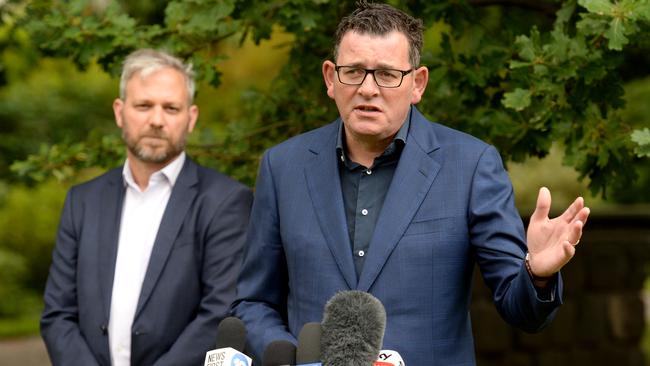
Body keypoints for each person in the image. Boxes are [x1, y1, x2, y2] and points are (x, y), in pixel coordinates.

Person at [232, 2, 590, 365]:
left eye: (387, 75)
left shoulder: (470, 166)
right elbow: (254, 301)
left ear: (417, 83)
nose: (368, 89)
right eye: (353, 71)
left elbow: (523, 313)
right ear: (330, 78)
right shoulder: (283, 166)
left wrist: (537, 273)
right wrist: (286, 355)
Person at [41, 49, 253, 366]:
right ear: (119, 111)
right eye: (143, 105)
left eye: (170, 108)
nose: (156, 120)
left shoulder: (225, 201)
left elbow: (221, 311)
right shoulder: (82, 201)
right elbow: (58, 314)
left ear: (191, 117)